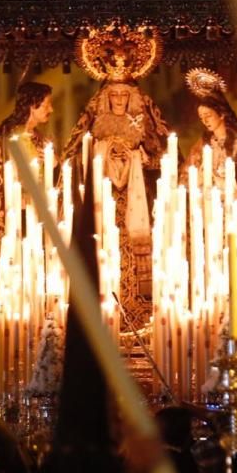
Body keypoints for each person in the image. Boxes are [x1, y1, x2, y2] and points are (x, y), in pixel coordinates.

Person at [62, 24, 172, 319]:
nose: (120, 101)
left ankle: (138, 305)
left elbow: (161, 157)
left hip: (137, 199)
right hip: (105, 197)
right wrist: (106, 150)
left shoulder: (143, 121)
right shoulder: (95, 124)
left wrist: (137, 155)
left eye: (125, 97)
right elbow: (77, 154)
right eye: (115, 97)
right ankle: (105, 305)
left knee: (135, 252)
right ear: (106, 99)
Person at [181, 67, 237, 184]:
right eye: (201, 117)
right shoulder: (203, 144)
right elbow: (186, 175)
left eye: (208, 115)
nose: (205, 121)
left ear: (221, 114)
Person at [0, 81, 54, 175]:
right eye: (46, 105)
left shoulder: (40, 139)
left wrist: (53, 164)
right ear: (32, 105)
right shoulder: (0, 139)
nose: (51, 109)